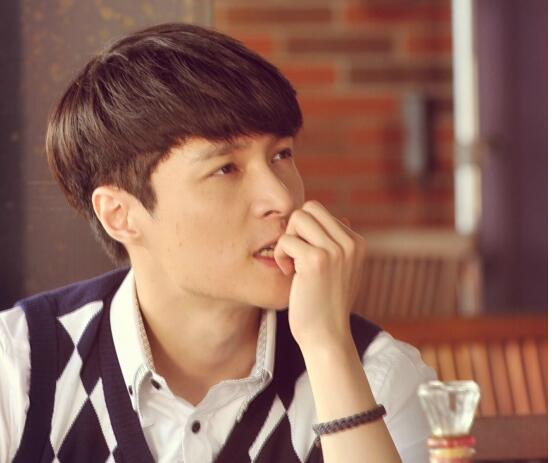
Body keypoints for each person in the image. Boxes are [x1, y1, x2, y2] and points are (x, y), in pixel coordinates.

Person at [0, 23, 435, 463]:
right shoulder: (20, 368)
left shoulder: (375, 375)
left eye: (281, 154)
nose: (281, 199)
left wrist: (327, 346)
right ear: (120, 214)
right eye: (226, 168)